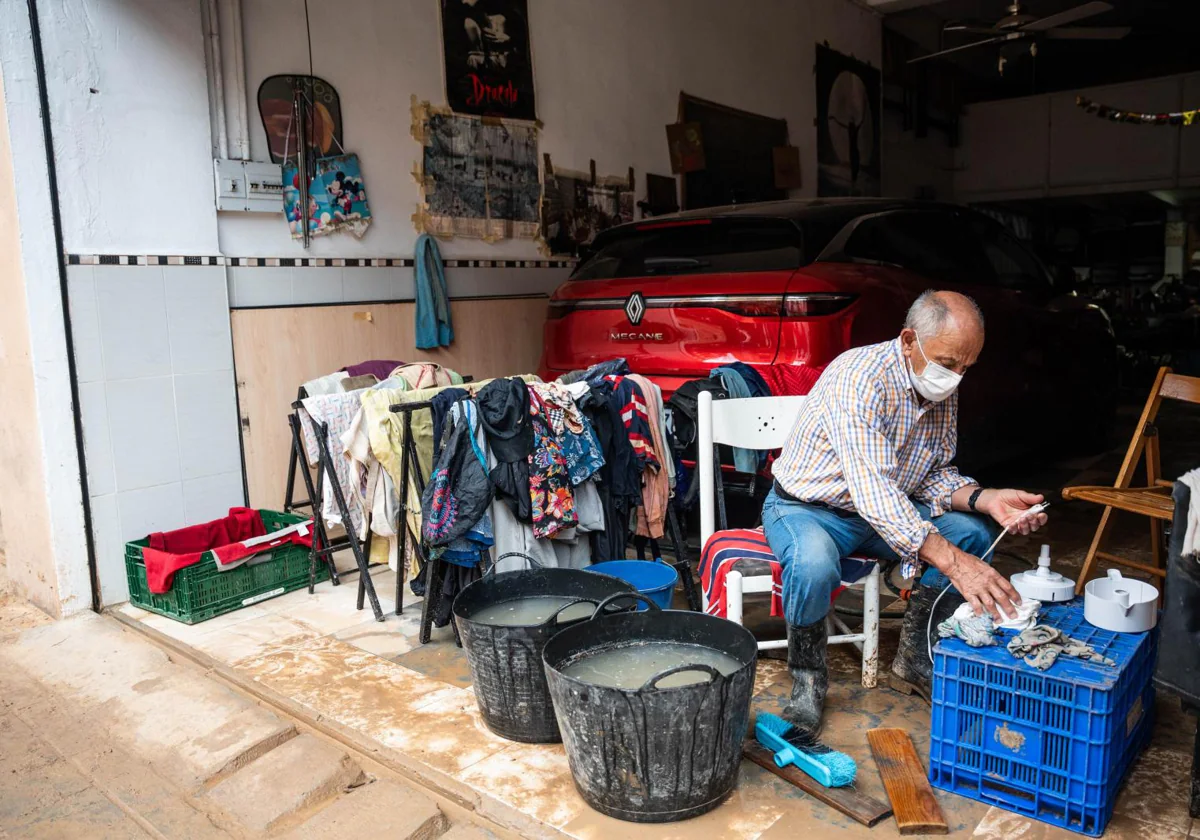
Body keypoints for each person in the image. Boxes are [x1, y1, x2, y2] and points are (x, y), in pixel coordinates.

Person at [762, 290, 1047, 732]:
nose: (955, 377)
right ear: (909, 340)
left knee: (970, 532)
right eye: (949, 363)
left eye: (966, 367)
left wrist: (985, 498)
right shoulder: (859, 379)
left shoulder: (937, 385)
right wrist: (954, 564)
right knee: (813, 564)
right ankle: (807, 680)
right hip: (807, 509)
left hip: (876, 513)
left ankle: (915, 659)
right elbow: (874, 489)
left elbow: (930, 474)